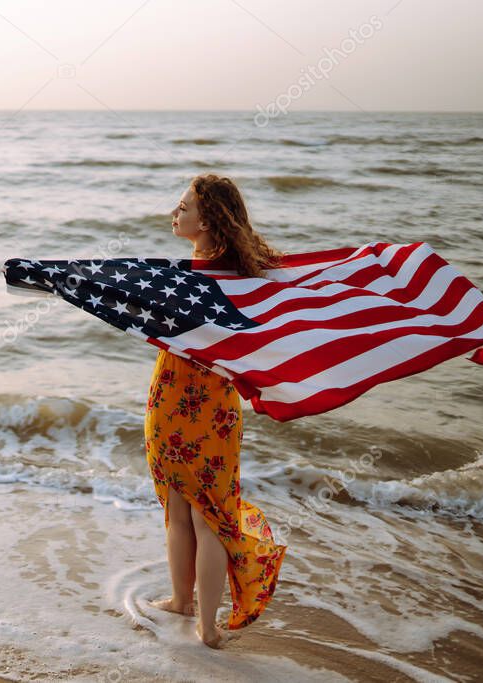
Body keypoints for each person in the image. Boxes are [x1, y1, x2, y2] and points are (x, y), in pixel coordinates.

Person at [145, 173, 288, 649]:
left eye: (183, 206)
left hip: (174, 400)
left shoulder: (192, 277)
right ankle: (200, 620)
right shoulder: (246, 277)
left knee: (182, 511)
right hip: (217, 408)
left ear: (206, 219)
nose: (175, 212)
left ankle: (188, 608)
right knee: (206, 513)